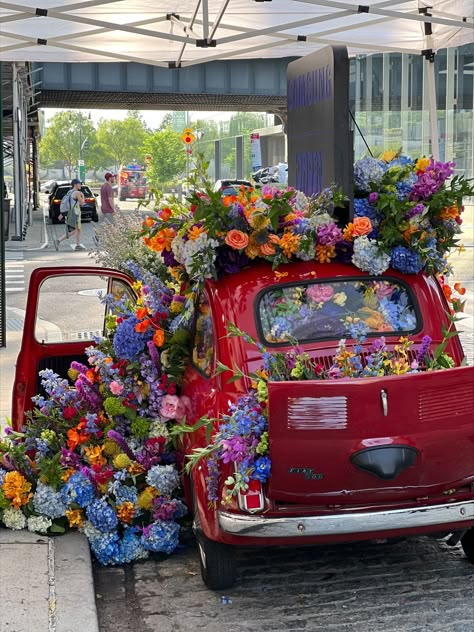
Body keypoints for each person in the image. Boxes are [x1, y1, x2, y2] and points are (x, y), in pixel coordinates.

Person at [54, 178, 85, 251]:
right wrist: (82, 195)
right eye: (79, 183)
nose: (80, 185)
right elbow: (82, 203)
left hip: (70, 213)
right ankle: (58, 240)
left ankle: (77, 245)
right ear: (75, 184)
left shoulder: (69, 192)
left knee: (78, 229)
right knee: (73, 231)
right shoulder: (77, 193)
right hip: (75, 213)